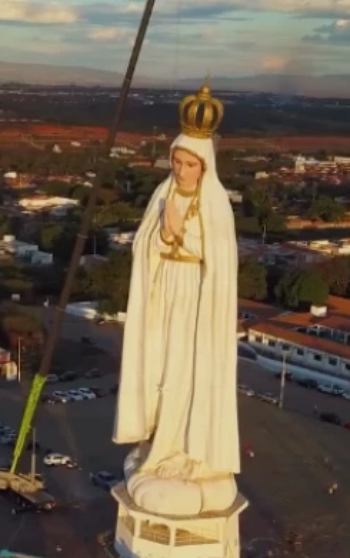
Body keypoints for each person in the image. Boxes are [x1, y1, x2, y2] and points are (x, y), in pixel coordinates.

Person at [113, 79, 239, 517]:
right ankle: (161, 447)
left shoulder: (217, 203)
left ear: (205, 166)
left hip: (196, 303)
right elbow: (142, 244)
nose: (183, 170)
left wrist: (181, 233)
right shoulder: (161, 193)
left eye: (191, 164)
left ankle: (189, 452)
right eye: (178, 161)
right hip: (164, 293)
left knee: (188, 374)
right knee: (162, 371)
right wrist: (161, 234)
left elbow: (220, 261)